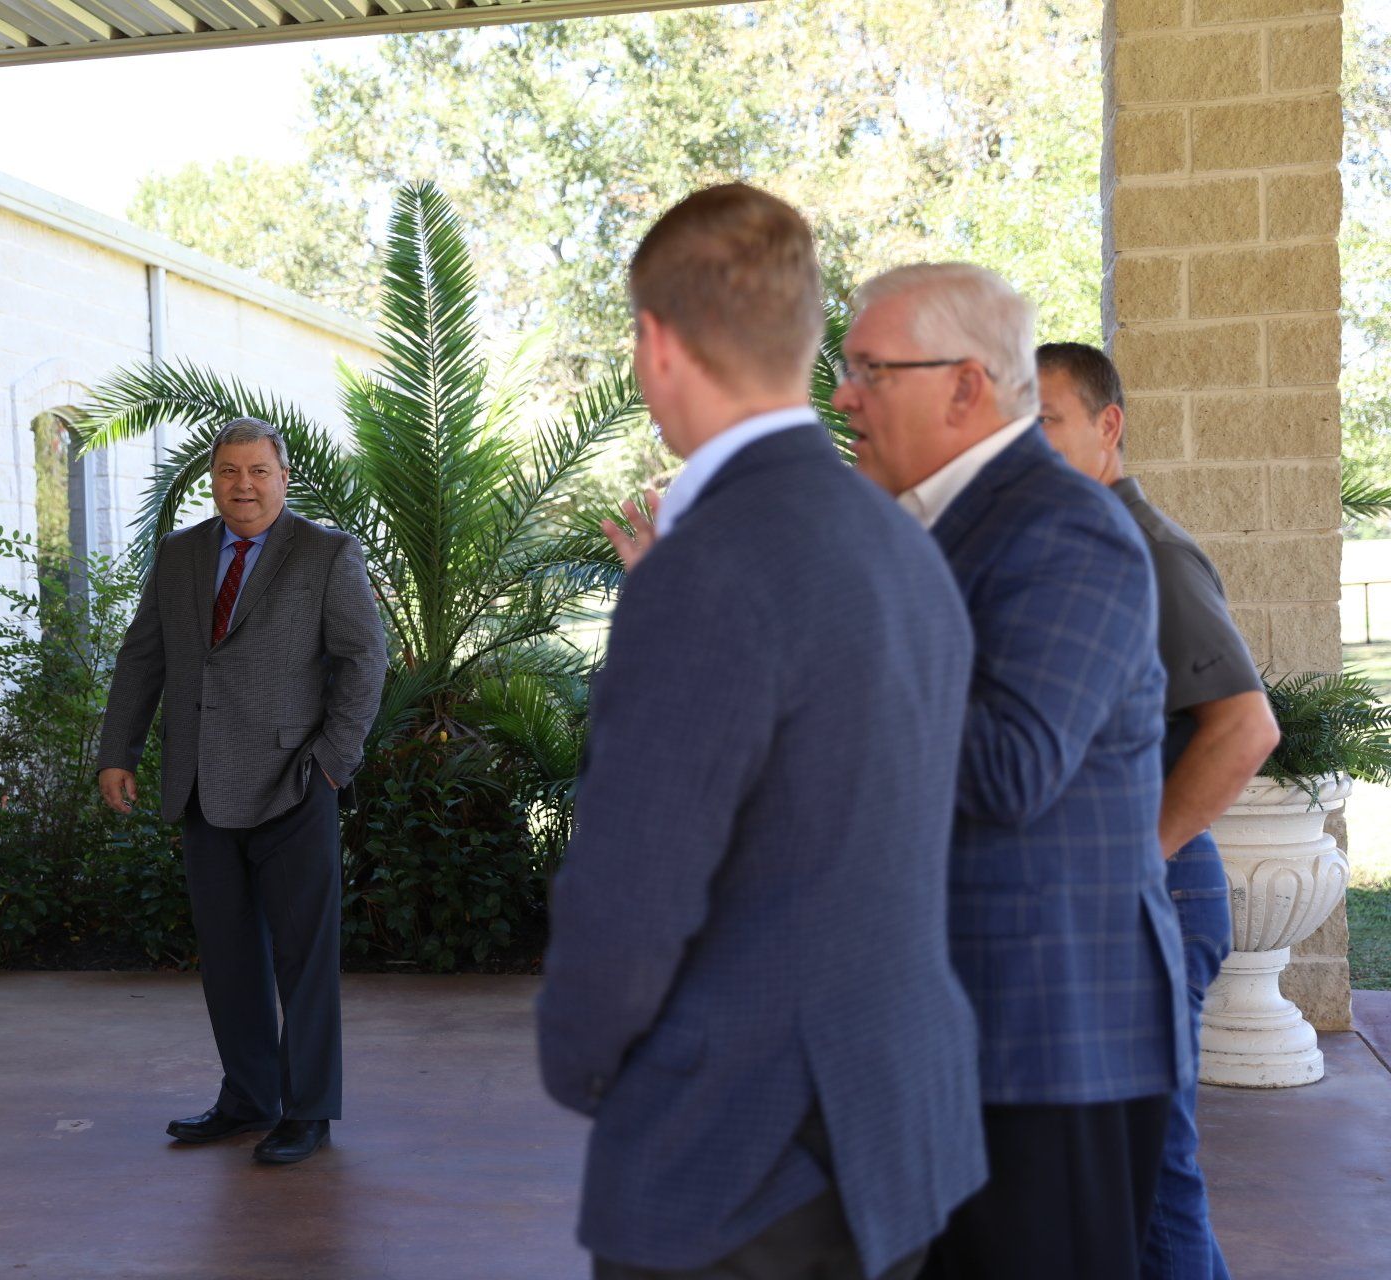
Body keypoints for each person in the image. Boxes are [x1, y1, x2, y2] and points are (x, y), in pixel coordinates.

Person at [540, 184, 986, 1280]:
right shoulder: (903, 543)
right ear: (803, 343)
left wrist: (582, 1060)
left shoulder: (707, 568)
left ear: (655, 343)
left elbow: (632, 901)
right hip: (897, 1136)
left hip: (742, 1167)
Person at [830, 264, 1191, 1280]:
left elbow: (1009, 766)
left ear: (964, 386)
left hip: (1046, 1042)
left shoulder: (1063, 526)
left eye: (870, 369)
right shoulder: (934, 526)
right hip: (941, 1040)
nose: (845, 395)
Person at [1037, 340, 1278, 1280]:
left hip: (1153, 902)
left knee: (1147, 1180)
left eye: (1045, 423)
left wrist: (1133, 864)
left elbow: (1244, 728)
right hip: (1098, 906)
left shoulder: (1152, 555)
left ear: (1109, 427)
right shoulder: (1064, 553)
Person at [96, 417, 387, 1165]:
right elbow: (142, 658)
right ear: (213, 480)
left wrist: (331, 762)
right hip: (200, 786)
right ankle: (250, 1098)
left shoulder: (326, 554)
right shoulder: (181, 555)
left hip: (295, 783)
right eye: (229, 472)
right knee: (228, 956)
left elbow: (363, 661)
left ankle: (311, 1108)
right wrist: (117, 752)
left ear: (284, 477)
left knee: (304, 957)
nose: (243, 486)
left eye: (258, 471)